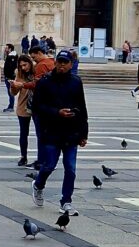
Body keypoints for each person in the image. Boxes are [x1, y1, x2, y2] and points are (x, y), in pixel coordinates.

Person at [30, 49, 88, 210]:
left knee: (70, 168)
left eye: (65, 62)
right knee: (49, 165)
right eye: (59, 62)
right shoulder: (45, 81)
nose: (62, 65)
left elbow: (82, 107)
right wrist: (57, 112)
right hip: (52, 131)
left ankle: (66, 201)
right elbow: (37, 107)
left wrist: (84, 133)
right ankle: (38, 184)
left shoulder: (76, 81)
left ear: (71, 64)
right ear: (55, 63)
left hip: (71, 131)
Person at [10, 52, 36, 166]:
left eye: (25, 65)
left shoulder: (36, 72)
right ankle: (23, 156)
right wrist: (13, 86)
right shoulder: (19, 74)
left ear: (30, 63)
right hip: (23, 106)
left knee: (41, 133)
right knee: (23, 133)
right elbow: (14, 93)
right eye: (21, 66)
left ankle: (42, 158)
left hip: (36, 106)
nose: (23, 68)